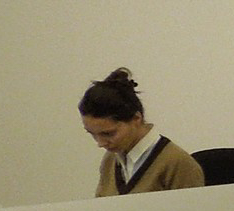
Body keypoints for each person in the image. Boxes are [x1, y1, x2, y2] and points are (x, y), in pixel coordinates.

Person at [80, 68, 204, 196]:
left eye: (108, 134)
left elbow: (192, 208)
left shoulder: (178, 164)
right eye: (92, 134)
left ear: (136, 119)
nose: (100, 143)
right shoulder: (110, 159)